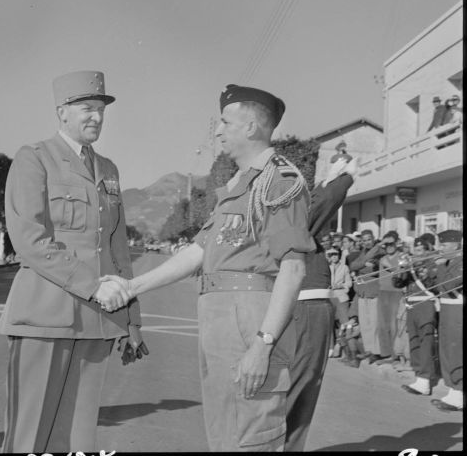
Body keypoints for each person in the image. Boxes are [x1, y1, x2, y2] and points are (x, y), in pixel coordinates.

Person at [102, 84, 315, 451]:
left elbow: (292, 269)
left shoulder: (279, 182)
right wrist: (132, 286)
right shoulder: (237, 185)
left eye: (225, 123)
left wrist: (263, 345)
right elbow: (196, 254)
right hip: (219, 317)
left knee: (251, 435)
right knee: (225, 434)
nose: (218, 132)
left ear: (250, 127)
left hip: (251, 320)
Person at [0, 70, 146, 453]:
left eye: (100, 109)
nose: (95, 117)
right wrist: (93, 285)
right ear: (62, 112)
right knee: (30, 434)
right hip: (45, 316)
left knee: (78, 436)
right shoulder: (35, 159)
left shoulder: (109, 170)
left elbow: (116, 248)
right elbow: (29, 239)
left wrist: (131, 319)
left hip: (97, 321)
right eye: (85, 108)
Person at [285, 158, 356, 451]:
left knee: (298, 387)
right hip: (306, 309)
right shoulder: (293, 220)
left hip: (305, 308)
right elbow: (325, 201)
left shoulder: (291, 219)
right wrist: (344, 178)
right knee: (300, 387)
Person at [394, 237, 438, 395]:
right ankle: (419, 376)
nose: (416, 253)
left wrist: (421, 270)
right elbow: (397, 284)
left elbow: (435, 286)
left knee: (425, 342)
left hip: (425, 304)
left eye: (419, 250)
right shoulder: (411, 265)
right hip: (411, 305)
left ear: (427, 250)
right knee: (414, 342)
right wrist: (402, 269)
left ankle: (425, 379)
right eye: (415, 250)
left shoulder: (433, 264)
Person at [430, 229, 463, 411]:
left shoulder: (461, 262)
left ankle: (459, 392)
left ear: (455, 245)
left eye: (443, 245)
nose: (440, 248)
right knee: (445, 349)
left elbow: (447, 286)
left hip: (457, 310)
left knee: (455, 350)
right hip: (447, 308)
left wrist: (441, 266)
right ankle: (452, 390)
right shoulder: (451, 261)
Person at [349, 229, 385, 364]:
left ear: (373, 239)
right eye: (364, 240)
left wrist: (362, 265)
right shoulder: (363, 253)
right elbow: (353, 265)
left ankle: (376, 352)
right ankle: (368, 350)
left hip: (373, 292)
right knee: (365, 324)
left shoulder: (380, 252)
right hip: (362, 293)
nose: (366, 242)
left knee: (374, 324)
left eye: (369, 239)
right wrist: (363, 264)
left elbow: (373, 268)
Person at [376, 232, 404, 365]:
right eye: (386, 244)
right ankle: (386, 354)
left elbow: (402, 274)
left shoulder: (402, 256)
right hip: (382, 292)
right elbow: (365, 257)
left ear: (397, 243)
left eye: (391, 243)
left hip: (396, 292)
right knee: (382, 324)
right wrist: (380, 244)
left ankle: (395, 354)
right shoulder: (381, 257)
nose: (389, 247)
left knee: (393, 325)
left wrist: (391, 267)